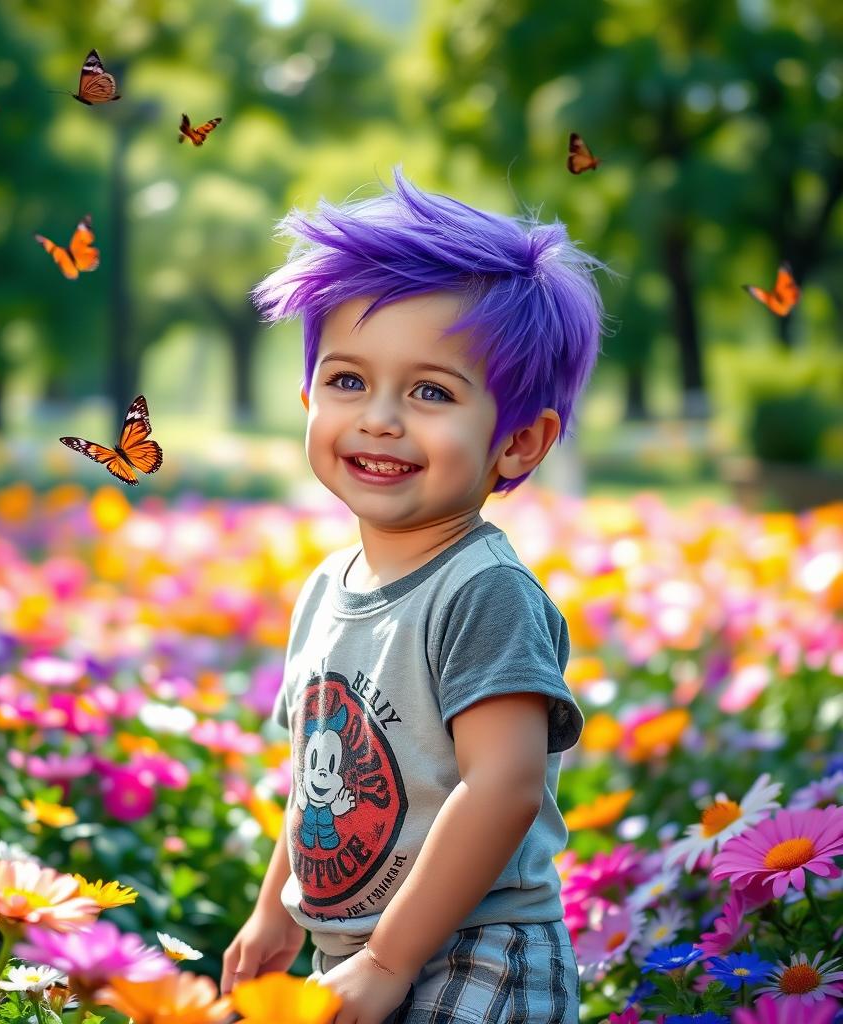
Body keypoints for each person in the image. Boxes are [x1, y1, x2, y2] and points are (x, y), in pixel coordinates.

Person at [221, 168, 604, 1024]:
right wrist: (274, 911)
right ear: (308, 396)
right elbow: (315, 783)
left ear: (520, 440)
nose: (380, 418)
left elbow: (503, 785)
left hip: (479, 949)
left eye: (431, 392)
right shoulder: (326, 588)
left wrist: (392, 958)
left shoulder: (483, 589)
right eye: (348, 381)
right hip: (358, 949)